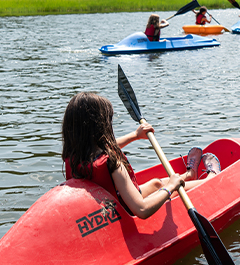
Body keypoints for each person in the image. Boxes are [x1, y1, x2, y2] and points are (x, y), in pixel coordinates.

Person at [61, 92, 208, 219]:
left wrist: (135, 135)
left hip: (111, 209)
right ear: (101, 127)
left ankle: (189, 175)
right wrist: (170, 187)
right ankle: (211, 180)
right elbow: (142, 210)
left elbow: (107, 146)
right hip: (127, 214)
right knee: (170, 189)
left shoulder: (73, 156)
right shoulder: (113, 164)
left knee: (156, 183)